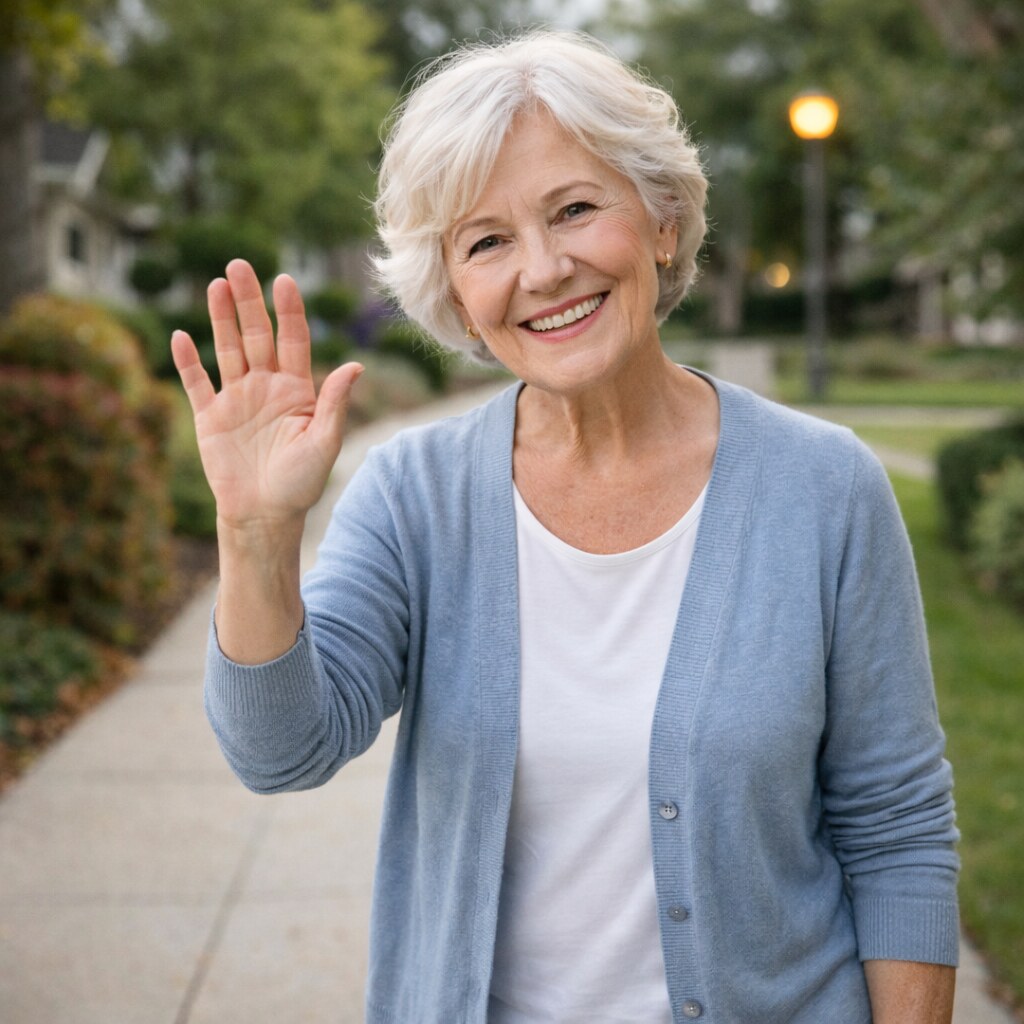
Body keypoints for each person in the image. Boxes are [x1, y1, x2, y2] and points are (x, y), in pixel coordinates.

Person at [171, 31, 959, 1024]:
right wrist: (253, 533)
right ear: (455, 291)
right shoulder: (413, 496)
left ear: (662, 221)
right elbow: (280, 750)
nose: (542, 270)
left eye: (575, 210)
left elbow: (894, 826)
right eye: (486, 240)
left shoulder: (825, 487)